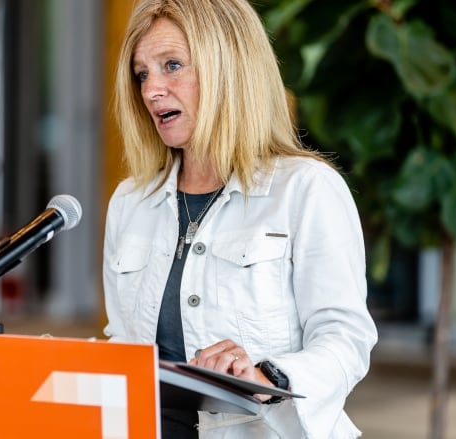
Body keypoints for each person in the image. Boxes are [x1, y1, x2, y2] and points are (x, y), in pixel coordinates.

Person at [102, 0, 378, 437]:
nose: (152, 89)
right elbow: (124, 346)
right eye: (142, 74)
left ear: (228, 69)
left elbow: (346, 339)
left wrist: (268, 378)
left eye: (171, 65)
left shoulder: (307, 189)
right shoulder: (130, 202)